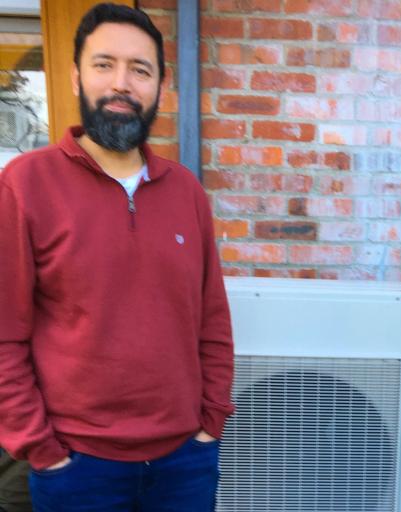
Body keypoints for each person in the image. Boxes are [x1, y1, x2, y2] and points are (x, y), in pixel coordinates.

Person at [0, 3, 234, 511]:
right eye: (104, 64)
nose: (122, 83)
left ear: (160, 88)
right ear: (76, 75)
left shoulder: (186, 192)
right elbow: (4, 334)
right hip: (76, 466)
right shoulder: (26, 184)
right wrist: (40, 449)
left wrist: (210, 423)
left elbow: (212, 321)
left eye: (140, 69)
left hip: (184, 463)